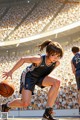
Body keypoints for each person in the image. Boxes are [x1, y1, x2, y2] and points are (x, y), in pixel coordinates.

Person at [1, 40, 64, 120]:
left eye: (58, 56)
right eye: (54, 55)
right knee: (25, 103)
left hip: (40, 77)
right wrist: (11, 71)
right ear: (47, 53)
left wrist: (51, 85)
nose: (56, 58)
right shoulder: (39, 59)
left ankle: (47, 112)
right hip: (29, 77)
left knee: (57, 82)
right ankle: (6, 106)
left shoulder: (56, 63)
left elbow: (45, 72)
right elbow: (23, 59)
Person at [71, 46, 80, 114]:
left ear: (73, 52)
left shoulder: (72, 59)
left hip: (78, 74)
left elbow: (73, 70)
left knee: (79, 92)